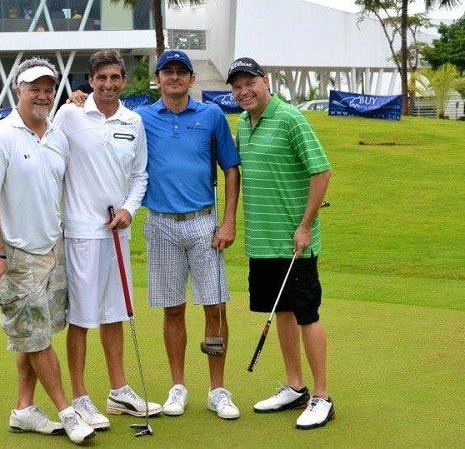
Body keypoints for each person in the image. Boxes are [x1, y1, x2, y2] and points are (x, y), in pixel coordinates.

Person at [70, 49, 242, 421]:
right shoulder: (141, 118)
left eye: (182, 72)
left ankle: (217, 389)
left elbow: (231, 169)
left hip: (203, 222)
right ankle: (177, 386)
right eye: (168, 72)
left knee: (214, 307)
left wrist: (228, 222)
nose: (175, 78)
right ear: (158, 79)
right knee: (173, 308)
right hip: (160, 224)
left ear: (192, 79)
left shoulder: (211, 115)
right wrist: (78, 96)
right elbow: (105, 115)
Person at [0, 57, 95, 445]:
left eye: (47, 88)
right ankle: (67, 411)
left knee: (34, 335)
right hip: (16, 255)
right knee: (37, 338)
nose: (41, 95)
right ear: (17, 91)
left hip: (51, 248)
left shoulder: (57, 135)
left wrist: (79, 103)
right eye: (33, 88)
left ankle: (23, 409)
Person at [53, 49, 160, 431]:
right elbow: (50, 154)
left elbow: (140, 175)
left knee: (116, 312)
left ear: (124, 79)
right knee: (82, 318)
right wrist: (71, 99)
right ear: (91, 79)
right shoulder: (70, 114)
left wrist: (130, 209)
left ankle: (119, 390)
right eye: (102, 78)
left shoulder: (134, 121)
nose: (110, 84)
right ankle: (80, 397)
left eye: (116, 77)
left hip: (118, 231)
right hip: (81, 232)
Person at [227, 57, 335, 430]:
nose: (244, 91)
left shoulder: (290, 118)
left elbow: (321, 172)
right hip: (262, 242)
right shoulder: (244, 122)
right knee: (282, 313)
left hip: (295, 243)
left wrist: (306, 226)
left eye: (249, 83)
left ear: (265, 81)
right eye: (237, 86)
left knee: (306, 314)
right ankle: (296, 386)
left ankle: (322, 396)